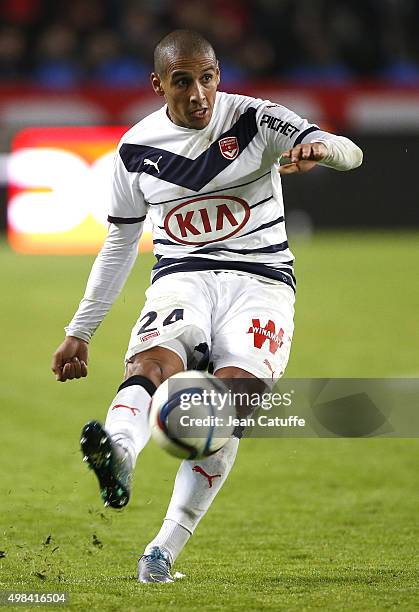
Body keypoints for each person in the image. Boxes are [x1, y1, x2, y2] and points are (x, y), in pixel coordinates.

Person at [51, 29, 363, 583]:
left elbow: (349, 150)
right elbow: (120, 244)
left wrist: (320, 149)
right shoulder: (136, 150)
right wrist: (81, 329)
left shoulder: (256, 120)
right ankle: (118, 453)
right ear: (157, 85)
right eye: (182, 81)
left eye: (208, 77)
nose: (199, 93)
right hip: (183, 278)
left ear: (219, 75)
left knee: (231, 405)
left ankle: (162, 549)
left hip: (261, 281)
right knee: (151, 363)